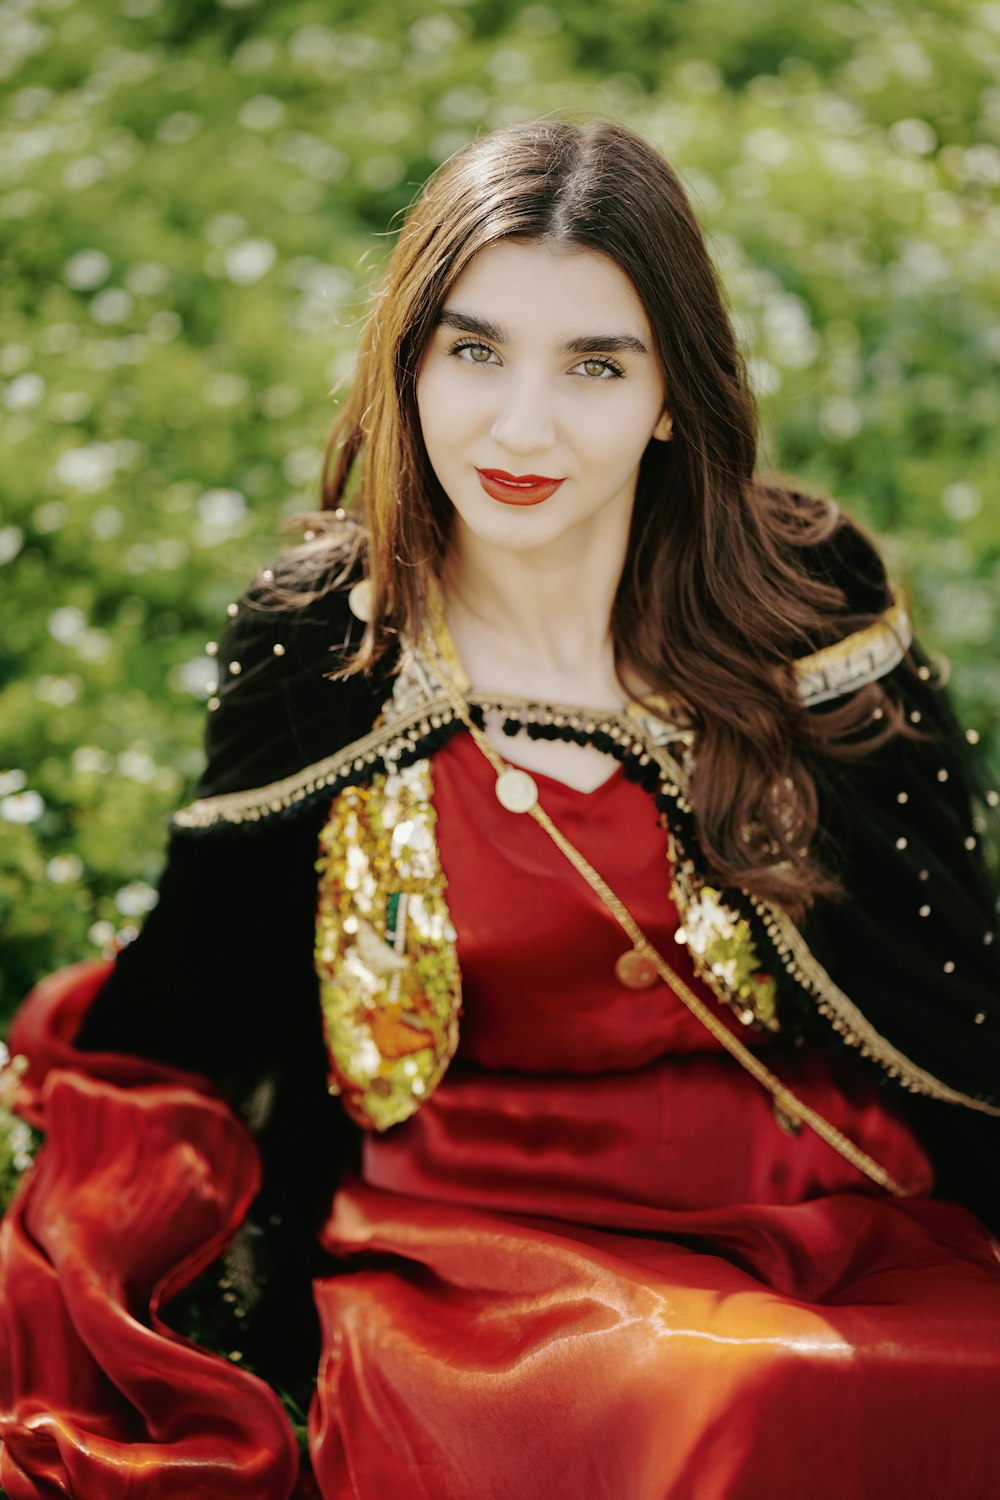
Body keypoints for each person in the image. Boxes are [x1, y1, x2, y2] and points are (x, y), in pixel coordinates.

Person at [1, 118, 999, 1500]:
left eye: (594, 365)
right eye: (473, 351)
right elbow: (210, 970)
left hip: (811, 1206)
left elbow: (943, 955)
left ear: (671, 396)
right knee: (732, 1405)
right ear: (409, 363)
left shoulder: (805, 602)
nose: (520, 427)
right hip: (479, 1245)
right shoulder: (326, 646)